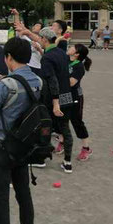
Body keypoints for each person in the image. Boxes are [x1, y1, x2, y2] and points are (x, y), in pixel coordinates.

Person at [0, 37, 41, 224]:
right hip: (24, 144)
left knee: (1, 198)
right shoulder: (38, 81)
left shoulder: (6, 85)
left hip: (2, 146)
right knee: (23, 192)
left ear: (9, 57)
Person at [39, 27, 73, 173]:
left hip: (53, 99)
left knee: (45, 126)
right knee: (65, 129)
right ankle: (68, 162)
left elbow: (52, 80)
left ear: (45, 40)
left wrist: (55, 102)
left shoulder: (47, 57)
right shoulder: (62, 53)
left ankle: (41, 158)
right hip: (67, 95)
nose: (39, 41)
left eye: (40, 38)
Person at [66, 44, 93, 161]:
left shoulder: (79, 67)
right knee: (61, 119)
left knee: (76, 121)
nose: (69, 47)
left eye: (72, 47)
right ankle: (62, 142)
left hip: (75, 96)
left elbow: (71, 82)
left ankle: (86, 148)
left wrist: (57, 75)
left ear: (76, 54)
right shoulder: (66, 60)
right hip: (64, 95)